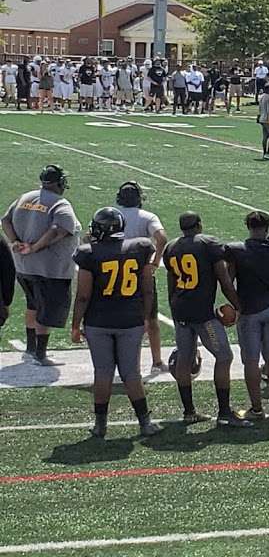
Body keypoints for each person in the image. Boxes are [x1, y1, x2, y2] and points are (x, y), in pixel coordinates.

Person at [70, 208, 162, 438]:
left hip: (98, 321)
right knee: (131, 373)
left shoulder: (89, 253)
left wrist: (75, 324)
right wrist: (145, 316)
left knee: (102, 372)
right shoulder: (139, 248)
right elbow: (148, 289)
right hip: (130, 320)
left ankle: (101, 425)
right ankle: (145, 423)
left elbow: (82, 295)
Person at [163, 211, 251, 427]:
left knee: (184, 359)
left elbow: (171, 284)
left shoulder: (171, 247)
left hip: (180, 310)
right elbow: (224, 279)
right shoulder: (208, 243)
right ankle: (223, 412)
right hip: (202, 313)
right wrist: (239, 305)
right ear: (199, 225)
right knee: (224, 356)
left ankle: (189, 412)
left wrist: (175, 311)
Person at [1, 165, 81, 366]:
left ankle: (30, 348)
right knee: (46, 311)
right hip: (50, 270)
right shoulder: (61, 204)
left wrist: (15, 242)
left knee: (32, 305)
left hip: (24, 267)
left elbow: (5, 220)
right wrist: (34, 247)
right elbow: (58, 229)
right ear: (60, 183)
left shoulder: (25, 198)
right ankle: (41, 354)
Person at [225, 211, 269, 418]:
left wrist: (237, 305)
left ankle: (256, 408)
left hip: (248, 308)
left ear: (248, 227)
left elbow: (228, 283)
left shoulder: (237, 251)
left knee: (251, 360)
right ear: (267, 227)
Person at [114, 181, 169, 376]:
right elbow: (162, 238)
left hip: (114, 273)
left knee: (119, 319)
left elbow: (90, 237)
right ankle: (156, 361)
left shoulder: (112, 214)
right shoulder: (147, 217)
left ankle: (121, 362)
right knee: (151, 318)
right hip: (140, 274)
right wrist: (155, 262)